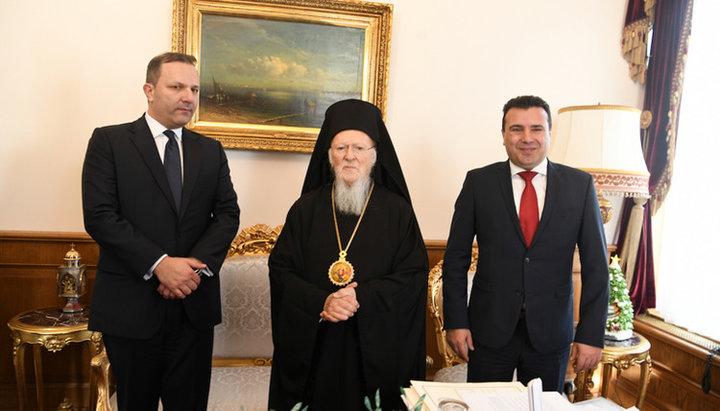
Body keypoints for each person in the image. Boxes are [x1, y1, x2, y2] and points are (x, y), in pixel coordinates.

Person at [81, 52, 240, 410]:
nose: (189, 97)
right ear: (149, 90)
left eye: (195, 89)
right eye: (177, 86)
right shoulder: (110, 142)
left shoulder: (210, 151)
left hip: (193, 305)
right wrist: (160, 264)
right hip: (131, 305)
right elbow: (100, 215)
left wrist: (193, 267)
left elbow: (228, 214)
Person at [268, 99, 428, 410]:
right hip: (319, 346)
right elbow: (281, 269)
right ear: (329, 155)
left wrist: (361, 298)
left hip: (375, 349)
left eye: (359, 148)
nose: (350, 156)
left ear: (374, 155)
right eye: (341, 148)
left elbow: (413, 274)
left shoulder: (397, 211)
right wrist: (322, 301)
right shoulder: (305, 209)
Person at [442, 95, 609, 392]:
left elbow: (596, 267)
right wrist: (456, 321)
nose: (527, 138)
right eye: (517, 129)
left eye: (536, 129)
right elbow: (456, 259)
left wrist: (591, 335)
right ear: (504, 135)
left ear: (549, 133)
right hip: (488, 330)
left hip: (550, 333)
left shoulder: (579, 186)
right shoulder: (478, 183)